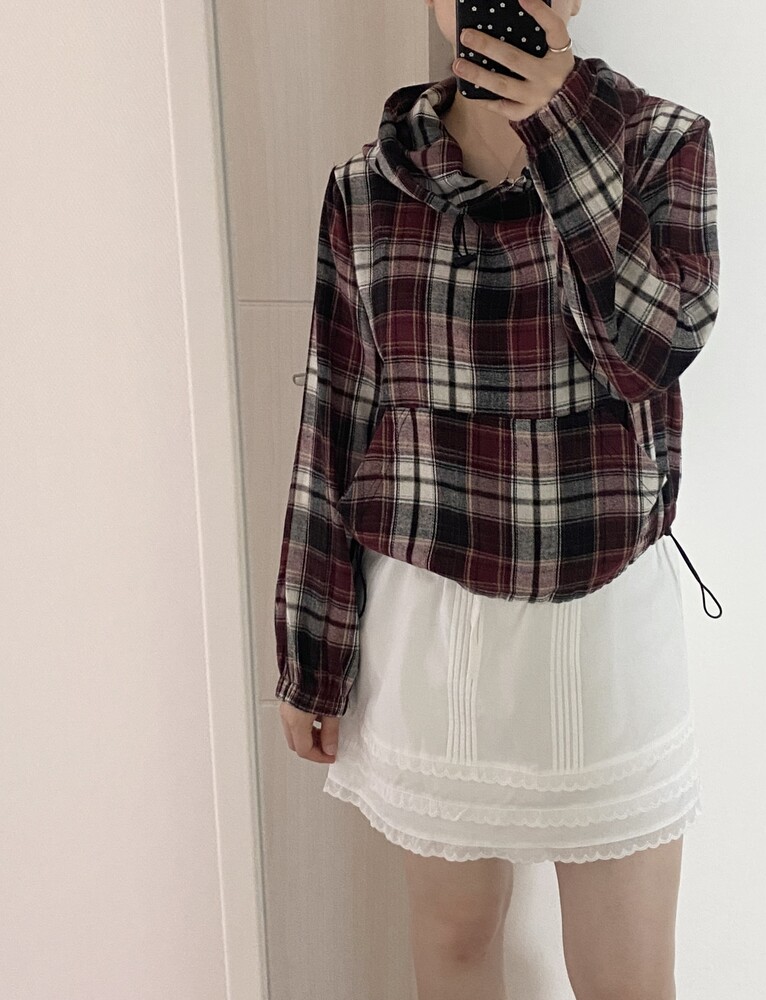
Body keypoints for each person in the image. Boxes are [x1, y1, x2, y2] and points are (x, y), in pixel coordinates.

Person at [274, 1, 722, 997]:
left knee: (627, 975)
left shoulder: (660, 144)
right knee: (454, 942)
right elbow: (337, 416)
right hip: (430, 619)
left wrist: (559, 128)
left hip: (601, 619)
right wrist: (312, 652)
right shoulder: (366, 185)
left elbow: (650, 352)